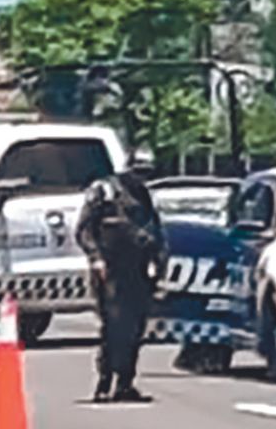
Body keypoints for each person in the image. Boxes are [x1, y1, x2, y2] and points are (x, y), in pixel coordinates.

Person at [75, 156, 167, 403]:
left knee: (136, 328)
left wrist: (158, 263)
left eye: (146, 173)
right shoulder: (104, 191)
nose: (142, 177)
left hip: (137, 270)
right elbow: (83, 230)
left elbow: (155, 231)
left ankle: (125, 383)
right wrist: (96, 258)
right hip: (111, 268)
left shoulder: (145, 196)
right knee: (113, 326)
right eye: (138, 171)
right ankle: (105, 382)